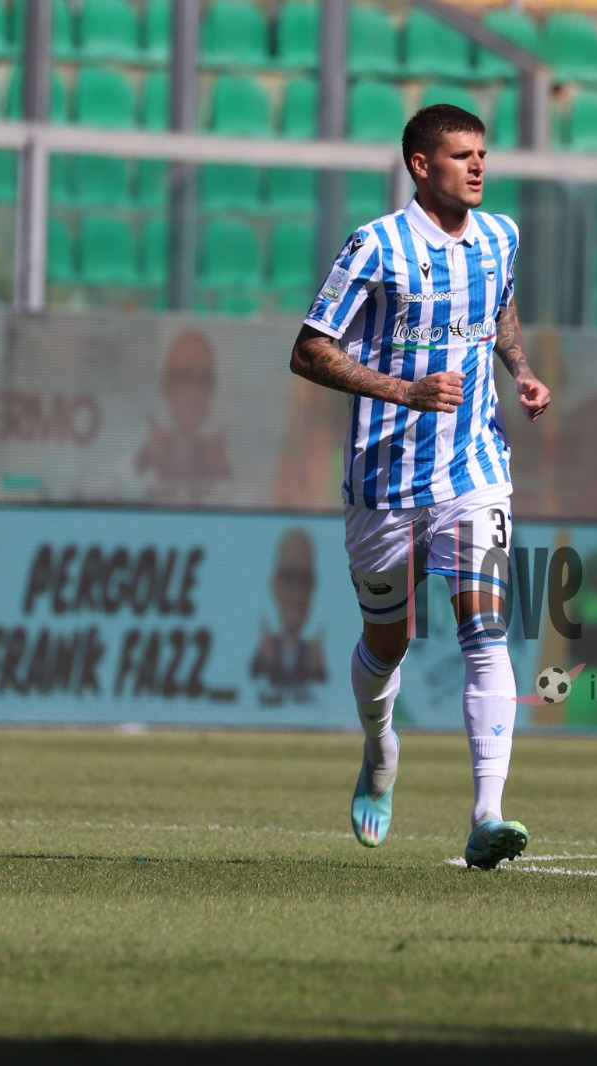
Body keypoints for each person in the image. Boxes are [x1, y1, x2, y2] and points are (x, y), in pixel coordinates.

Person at [289, 104, 551, 869]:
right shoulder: (375, 246)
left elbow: (498, 308)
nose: (477, 166)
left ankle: (487, 813)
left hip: (477, 470)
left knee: (486, 631)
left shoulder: (500, 236)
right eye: (461, 155)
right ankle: (378, 749)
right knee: (389, 638)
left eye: (482, 154)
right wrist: (401, 392)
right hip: (385, 482)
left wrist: (522, 371)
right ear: (420, 165)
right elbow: (308, 353)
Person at [136, 328, 232, 505]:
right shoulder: (133, 446)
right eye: (183, 377)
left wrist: (221, 473)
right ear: (166, 385)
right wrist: (143, 462)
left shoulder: (226, 455)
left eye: (202, 380)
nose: (193, 393)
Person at [250, 527, 327, 705]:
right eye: (289, 577)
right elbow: (253, 676)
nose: (297, 594)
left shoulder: (314, 654)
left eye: (305, 580)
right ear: (275, 583)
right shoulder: (265, 649)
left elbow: (324, 684)